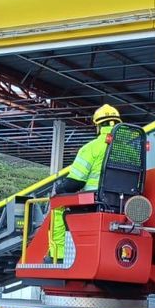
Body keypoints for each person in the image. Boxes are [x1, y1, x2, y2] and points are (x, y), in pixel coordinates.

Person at [47, 103, 120, 263]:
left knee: (58, 208)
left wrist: (59, 188)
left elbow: (75, 183)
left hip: (95, 202)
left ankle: (58, 256)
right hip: (122, 204)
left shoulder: (91, 148)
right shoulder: (130, 148)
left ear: (98, 126)